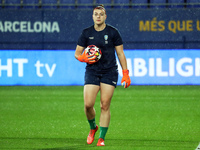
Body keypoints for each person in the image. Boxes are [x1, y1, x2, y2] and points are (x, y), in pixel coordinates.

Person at [74, 4, 131, 146]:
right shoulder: (86, 33)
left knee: (105, 105)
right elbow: (77, 53)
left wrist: (125, 73)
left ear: (105, 16)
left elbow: (120, 53)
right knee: (88, 105)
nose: (98, 16)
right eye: (96, 14)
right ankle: (93, 127)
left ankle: (101, 138)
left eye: (101, 14)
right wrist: (83, 58)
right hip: (92, 71)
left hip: (109, 71)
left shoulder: (113, 32)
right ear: (92, 16)